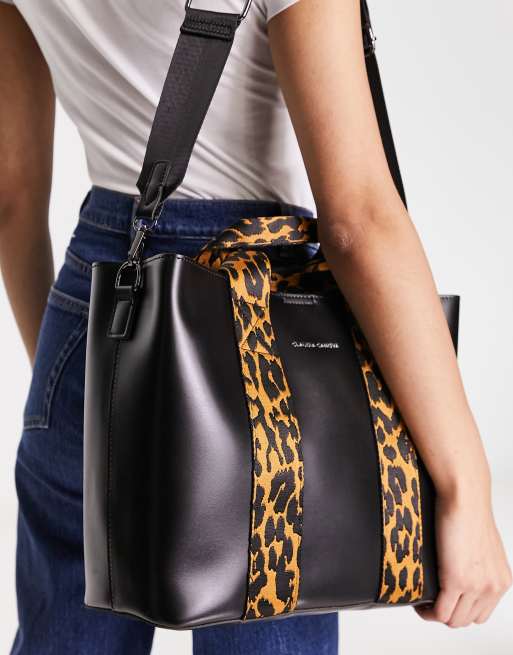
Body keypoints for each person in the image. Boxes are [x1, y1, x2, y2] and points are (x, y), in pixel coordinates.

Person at [0, 0, 510, 653]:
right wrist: (467, 485)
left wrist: (88, 380)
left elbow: (11, 194)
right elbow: (357, 221)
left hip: (101, 295)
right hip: (260, 321)